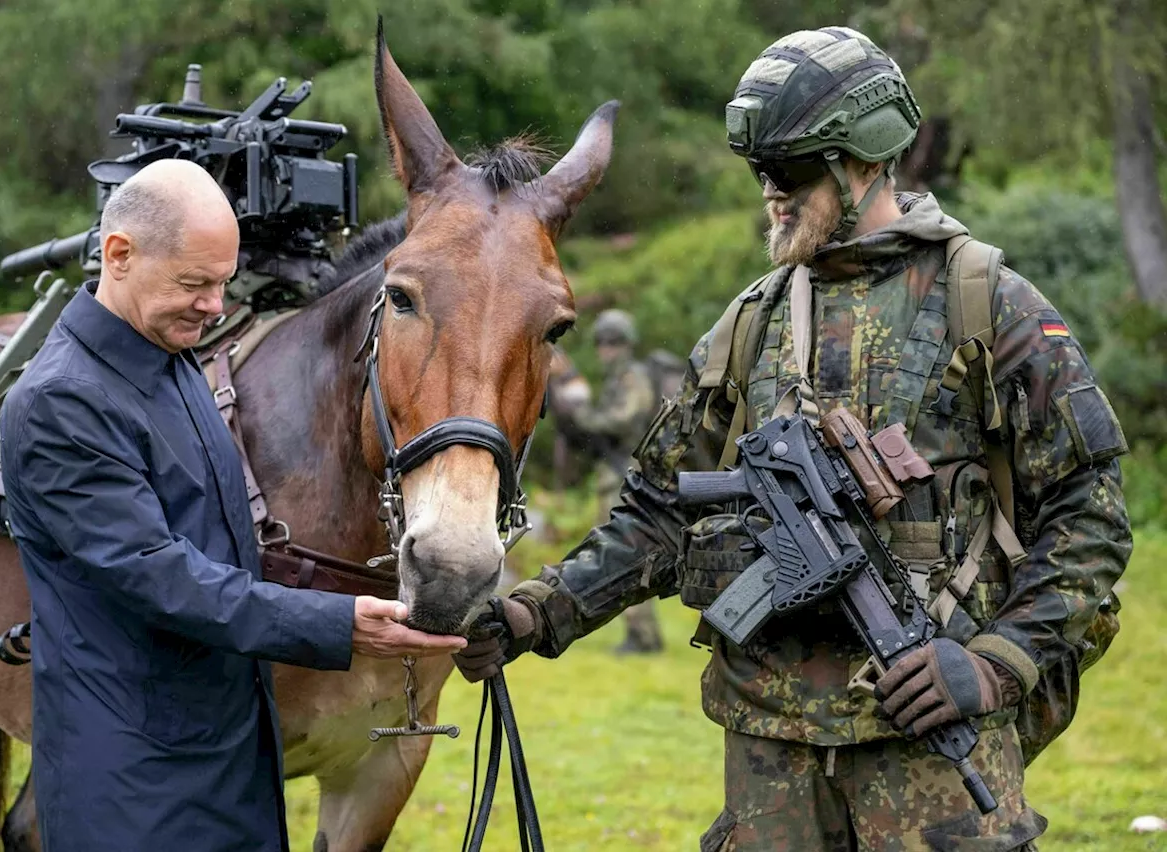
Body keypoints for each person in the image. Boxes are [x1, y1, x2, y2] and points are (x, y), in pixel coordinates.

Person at [454, 26, 1132, 851]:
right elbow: (659, 511)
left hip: (925, 740)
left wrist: (996, 661)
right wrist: (539, 612)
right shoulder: (750, 325)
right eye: (760, 171)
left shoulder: (988, 304)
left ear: (866, 158)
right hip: (769, 751)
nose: (771, 191)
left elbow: (1090, 515)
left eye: (794, 169)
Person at [0, 159, 466, 852]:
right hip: (133, 786)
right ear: (118, 255)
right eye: (194, 283)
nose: (214, 306)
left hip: (222, 762)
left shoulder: (169, 359)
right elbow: (161, 579)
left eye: (222, 283)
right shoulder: (62, 402)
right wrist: (341, 623)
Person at [552, 309, 662, 654]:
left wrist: (585, 417)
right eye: (602, 344)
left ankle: (641, 636)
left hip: (625, 474)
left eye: (611, 343)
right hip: (616, 473)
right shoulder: (619, 378)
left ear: (624, 345)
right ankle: (642, 634)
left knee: (623, 553)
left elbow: (625, 417)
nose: (605, 351)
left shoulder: (633, 376)